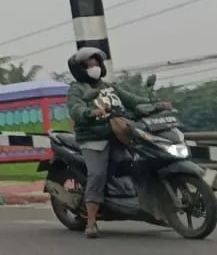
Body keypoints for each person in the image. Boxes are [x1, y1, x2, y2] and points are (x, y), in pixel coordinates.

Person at [66, 46, 169, 239]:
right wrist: (91, 112)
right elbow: (76, 110)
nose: (94, 67)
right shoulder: (77, 89)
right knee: (97, 175)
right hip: (93, 139)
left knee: (142, 162)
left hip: (119, 135)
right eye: (90, 64)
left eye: (97, 63)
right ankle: (91, 222)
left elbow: (133, 101)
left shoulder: (109, 87)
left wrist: (157, 105)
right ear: (80, 68)